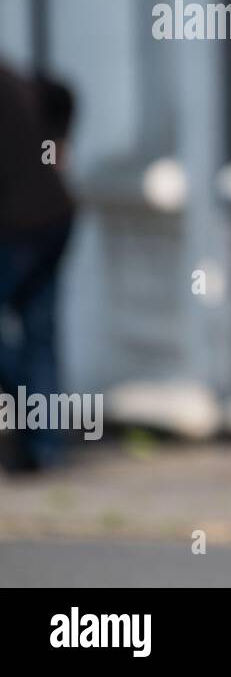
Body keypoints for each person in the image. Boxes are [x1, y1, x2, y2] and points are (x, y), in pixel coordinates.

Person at [0, 63, 76, 472]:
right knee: (39, 334)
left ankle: (35, 416)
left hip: (18, 226)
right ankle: (45, 443)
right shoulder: (14, 78)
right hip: (56, 215)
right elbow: (62, 93)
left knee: (36, 337)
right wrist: (61, 141)